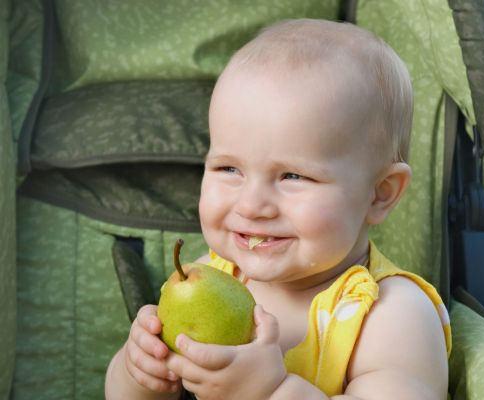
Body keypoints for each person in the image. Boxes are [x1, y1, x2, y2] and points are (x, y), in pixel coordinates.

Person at [105, 18, 451, 400]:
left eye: (293, 176)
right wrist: (139, 373)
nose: (251, 205)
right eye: (229, 168)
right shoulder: (210, 276)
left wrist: (271, 392)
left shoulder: (392, 315)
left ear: (380, 193)